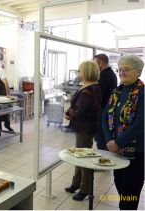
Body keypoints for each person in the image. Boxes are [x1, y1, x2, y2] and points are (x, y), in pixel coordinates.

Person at [102, 54, 144, 210]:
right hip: (116, 150)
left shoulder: (142, 92)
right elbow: (105, 116)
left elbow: (141, 123)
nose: (122, 72)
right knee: (120, 186)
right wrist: (109, 141)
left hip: (137, 152)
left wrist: (118, 142)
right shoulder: (117, 91)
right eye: (120, 69)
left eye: (126, 69)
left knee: (130, 194)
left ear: (138, 72)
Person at [64, 61, 101, 201]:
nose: (78, 73)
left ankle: (85, 189)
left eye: (79, 71)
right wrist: (70, 111)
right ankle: (76, 183)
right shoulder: (90, 87)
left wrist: (68, 113)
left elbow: (79, 111)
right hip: (83, 127)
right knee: (79, 155)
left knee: (84, 158)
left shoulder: (89, 90)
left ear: (85, 72)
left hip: (85, 129)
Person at [93, 54, 117, 150]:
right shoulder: (110, 73)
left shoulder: (104, 75)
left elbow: (98, 95)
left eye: (95, 64)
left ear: (100, 63)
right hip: (106, 109)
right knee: (102, 137)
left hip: (103, 109)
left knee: (101, 139)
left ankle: (102, 159)